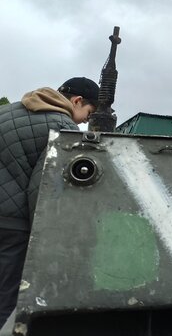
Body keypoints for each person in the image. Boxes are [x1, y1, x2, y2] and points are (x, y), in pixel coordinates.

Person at [0, 77, 98, 328]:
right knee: (5, 299)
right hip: (10, 227)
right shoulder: (62, 127)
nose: (86, 120)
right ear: (77, 101)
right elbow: (41, 191)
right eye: (88, 112)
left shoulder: (7, 112)